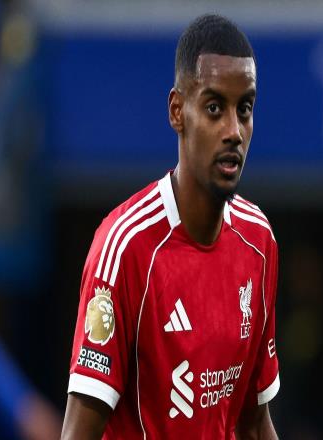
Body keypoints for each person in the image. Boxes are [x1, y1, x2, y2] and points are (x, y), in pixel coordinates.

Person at [62, 14, 280, 439]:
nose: (234, 131)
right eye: (214, 108)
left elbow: (255, 424)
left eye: (244, 109)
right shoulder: (124, 247)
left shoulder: (259, 241)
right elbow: (78, 433)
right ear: (178, 112)